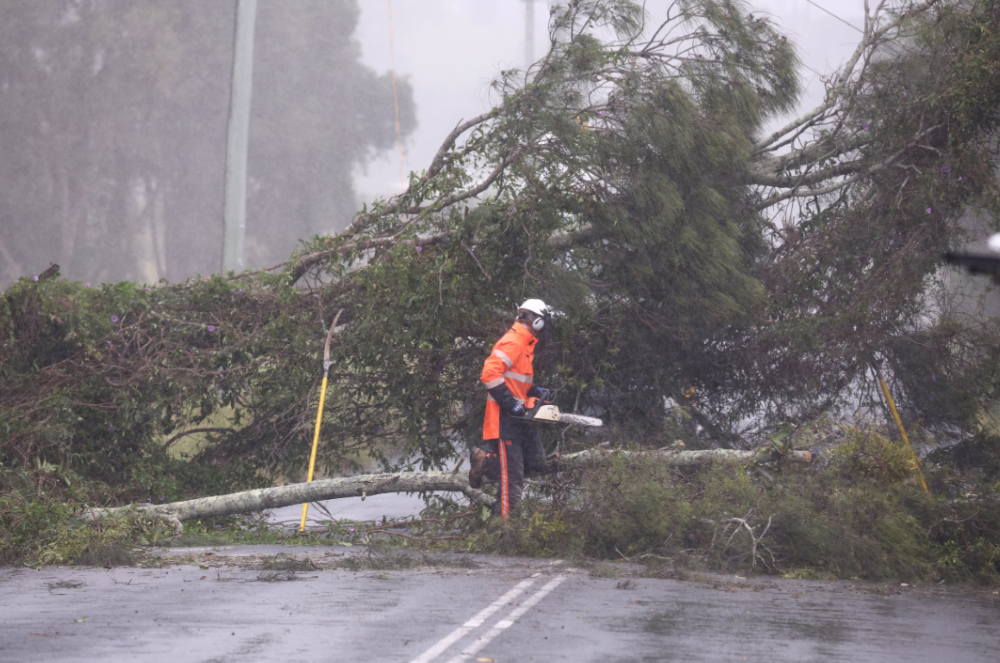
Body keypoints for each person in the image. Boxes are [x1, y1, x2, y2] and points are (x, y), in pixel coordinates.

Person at [468, 299, 553, 518]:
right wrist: (511, 404)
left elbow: (513, 380)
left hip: (521, 417)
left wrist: (533, 391)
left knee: (537, 463)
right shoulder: (514, 342)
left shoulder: (525, 345)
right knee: (512, 484)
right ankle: (503, 533)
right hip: (505, 420)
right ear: (537, 321)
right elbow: (489, 375)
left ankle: (487, 462)